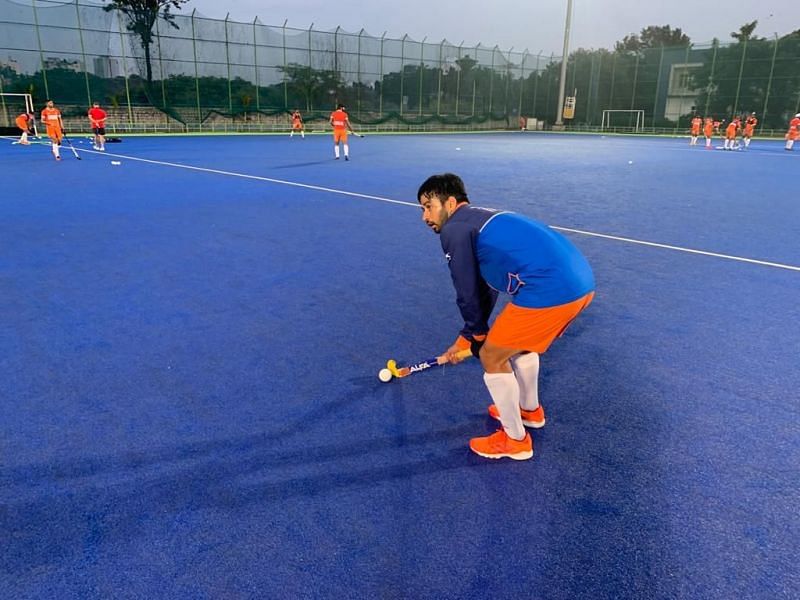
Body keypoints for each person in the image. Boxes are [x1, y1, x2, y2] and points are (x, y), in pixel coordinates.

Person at [417, 173, 595, 461]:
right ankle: (529, 411)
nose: (425, 216)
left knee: (491, 357)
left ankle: (515, 440)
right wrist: (469, 333)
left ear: (450, 203)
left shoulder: (454, 230)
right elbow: (486, 284)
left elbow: (466, 289)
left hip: (551, 290)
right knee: (520, 344)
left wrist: (478, 338)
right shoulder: (479, 219)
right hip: (580, 284)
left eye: (428, 206)